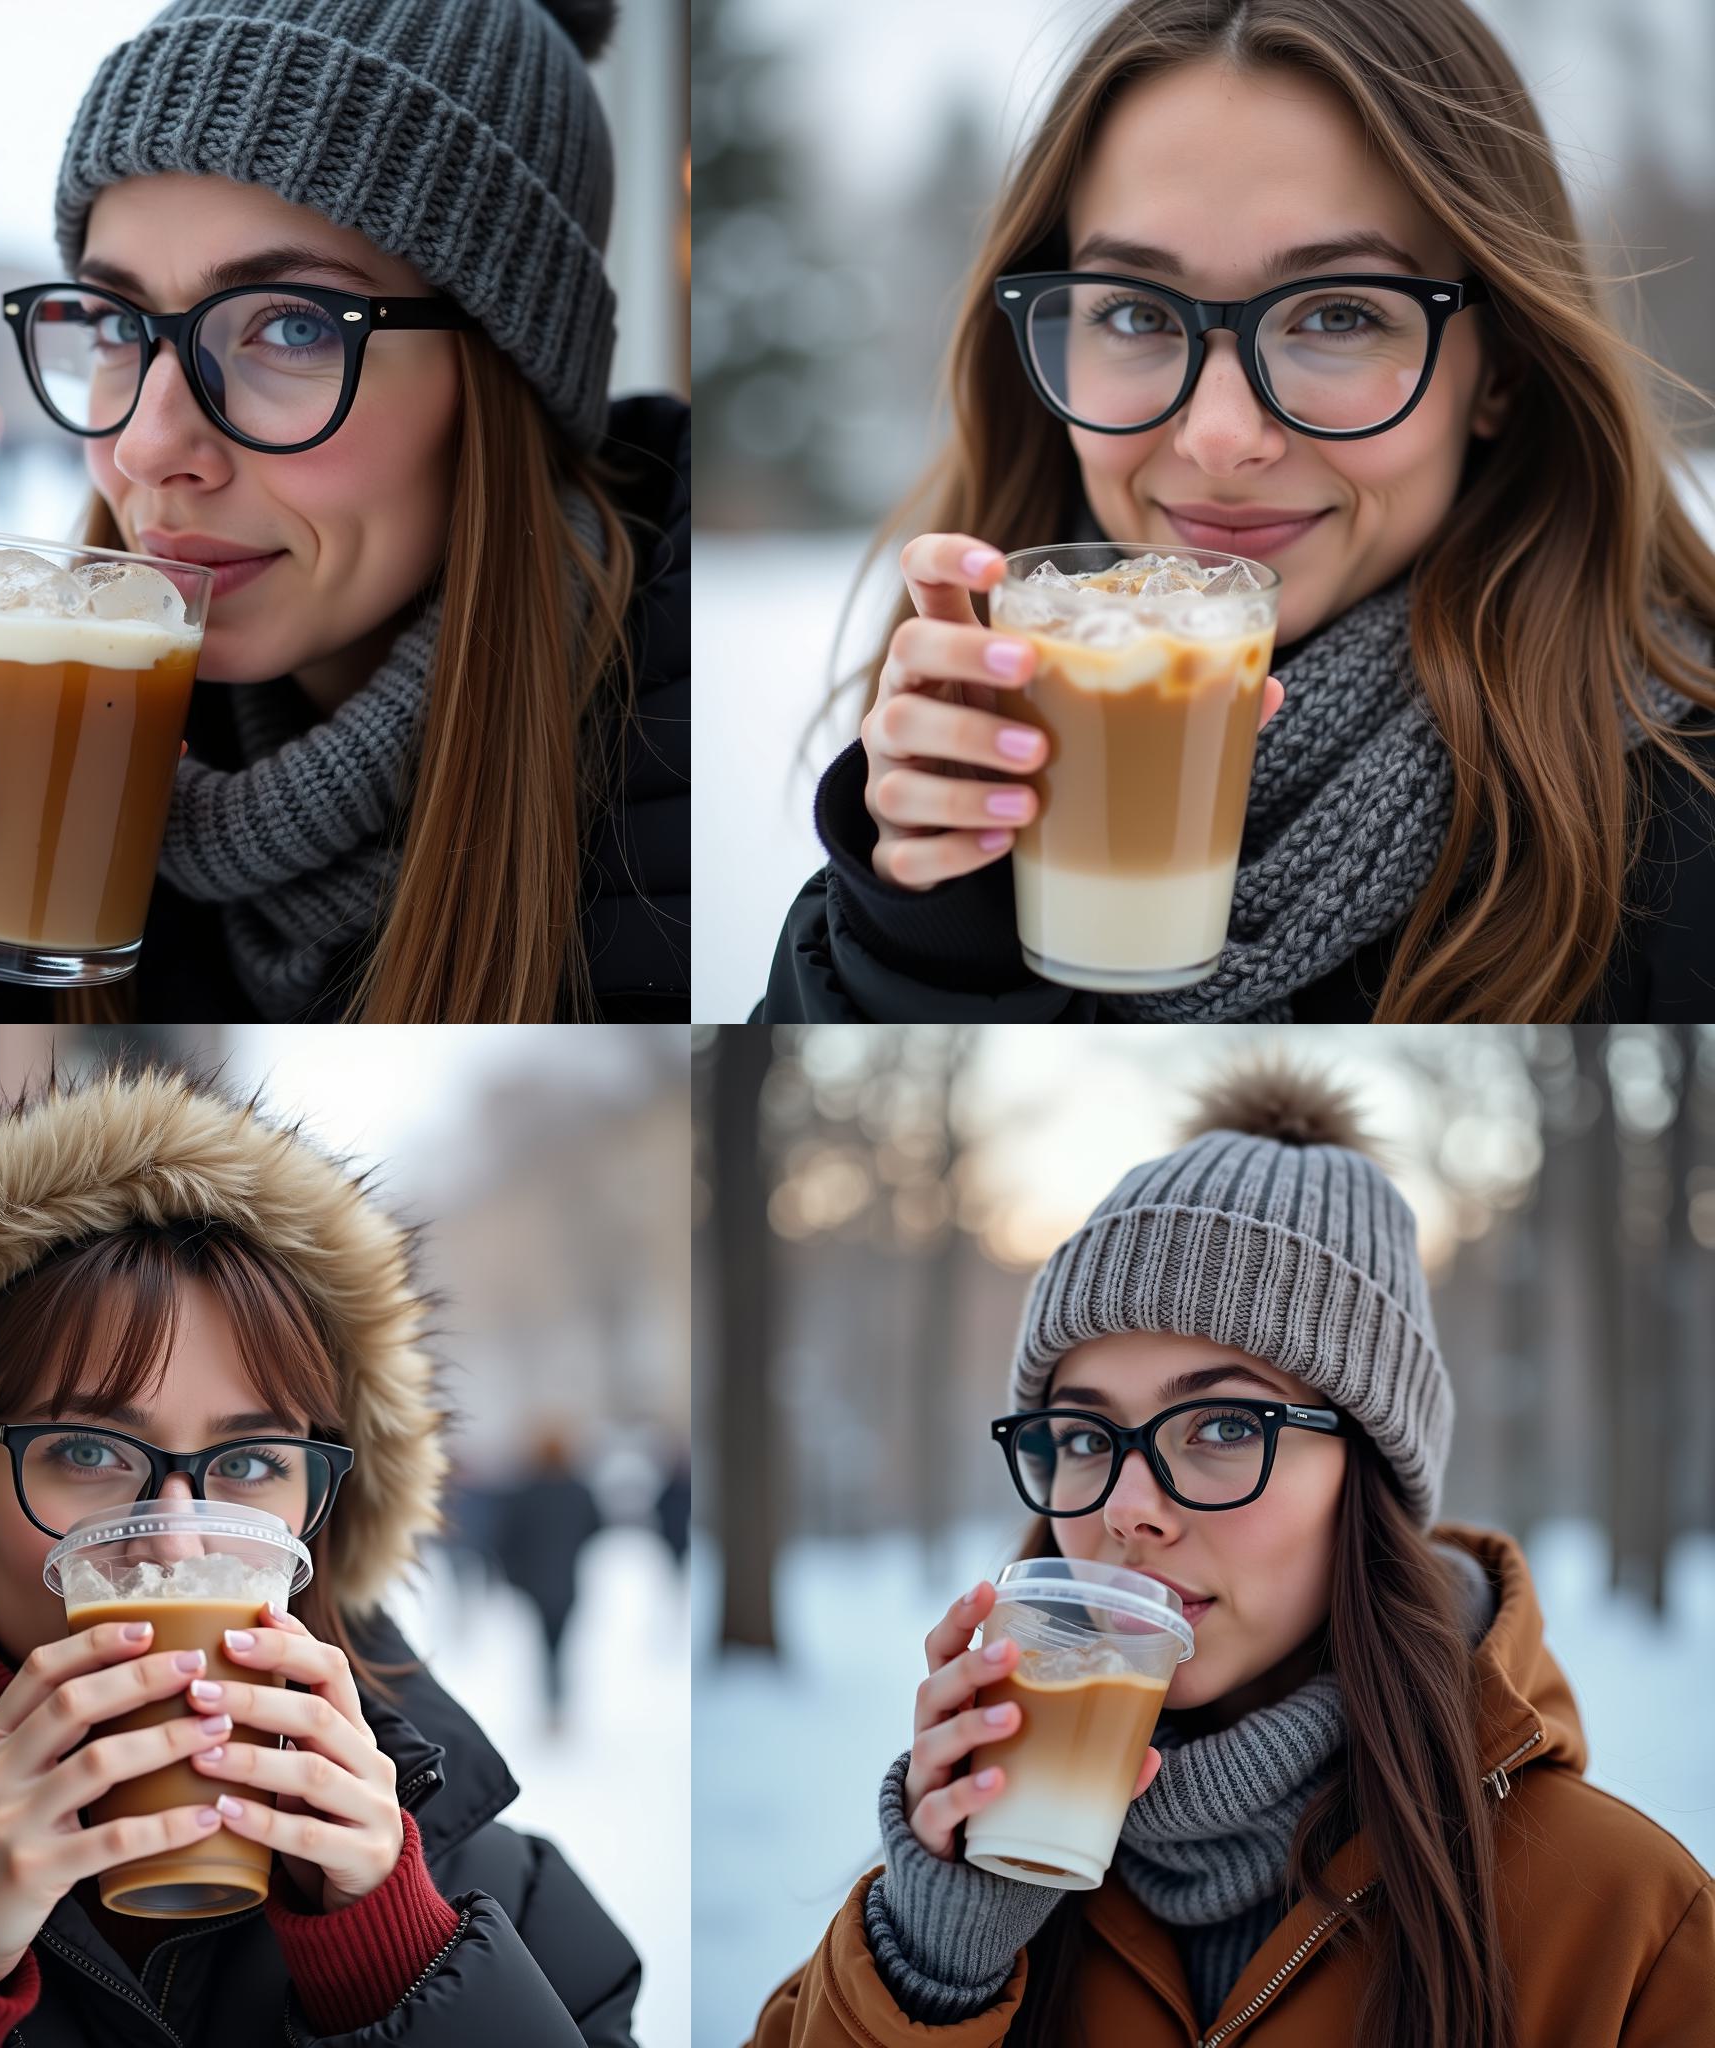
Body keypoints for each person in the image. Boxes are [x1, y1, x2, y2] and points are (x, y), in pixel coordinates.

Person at [0, 0, 688, 1027]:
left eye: (289, 324)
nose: (144, 448)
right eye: (111, 322)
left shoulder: (675, 812)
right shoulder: (57, 790)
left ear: (505, 381)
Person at [762, 0, 1715, 1025]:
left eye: (1338, 313)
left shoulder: (1681, 834)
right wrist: (926, 937)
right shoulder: (939, 773)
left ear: (1501, 368)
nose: (1219, 436)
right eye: (1132, 312)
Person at [0, 1060, 642, 2044]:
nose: (175, 1539)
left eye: (254, 1458)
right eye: (86, 1450)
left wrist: (392, 1961)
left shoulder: (510, 1908)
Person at [751, 1052, 1713, 2048]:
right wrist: (935, 1960)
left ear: (1365, 1473)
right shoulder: (948, 1892)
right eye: (1082, 1436)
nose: (1128, 1508)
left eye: (1219, 1426)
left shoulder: (1628, 1919)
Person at [492, 1429, 605, 1731]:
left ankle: (551, 1705)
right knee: (560, 1646)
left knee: (546, 1645)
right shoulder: (578, 1491)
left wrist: (513, 1575)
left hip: (535, 1585)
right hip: (566, 1583)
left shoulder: (525, 1492)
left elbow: (503, 1537)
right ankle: (557, 1704)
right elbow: (597, 1526)